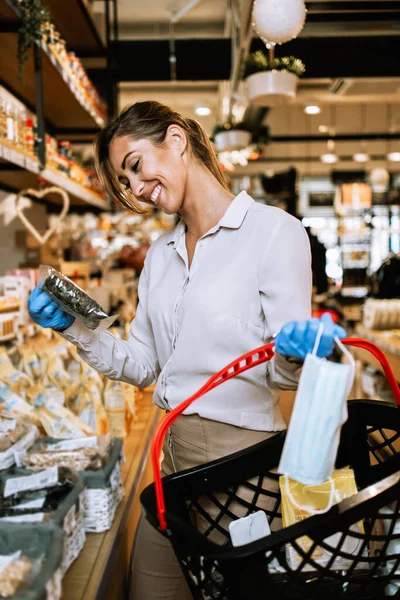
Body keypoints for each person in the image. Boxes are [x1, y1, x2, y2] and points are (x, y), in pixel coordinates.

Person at [28, 101, 346, 599]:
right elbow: (142, 364)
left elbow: (285, 376)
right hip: (167, 458)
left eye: (135, 167)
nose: (135, 190)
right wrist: (74, 327)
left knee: (242, 594)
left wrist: (299, 351)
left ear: (176, 140)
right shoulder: (161, 254)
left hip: (241, 464)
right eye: (125, 183)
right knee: (150, 591)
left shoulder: (273, 232)